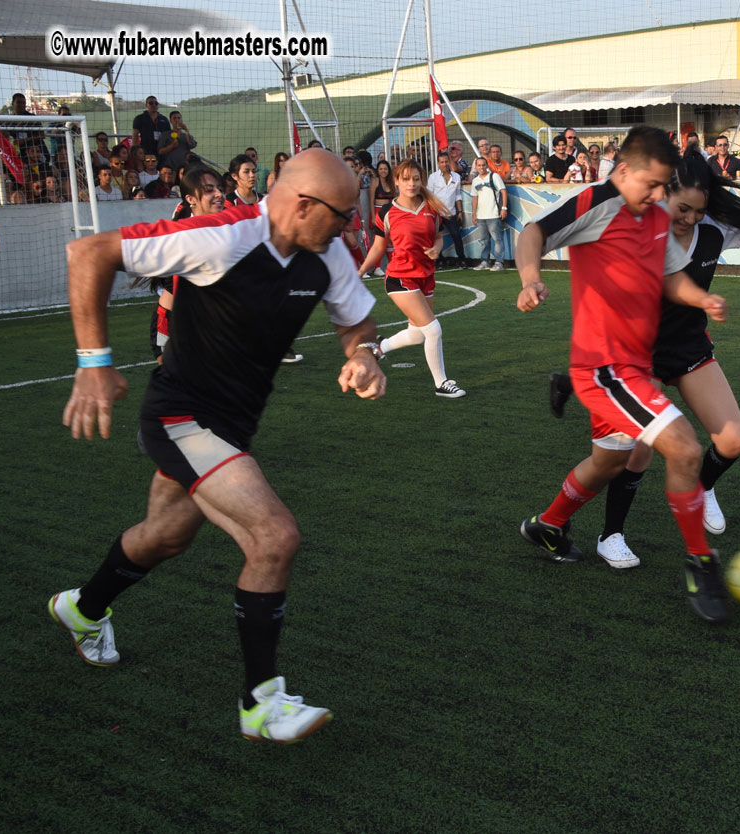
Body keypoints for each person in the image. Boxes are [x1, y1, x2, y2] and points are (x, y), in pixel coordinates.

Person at [51, 149, 386, 743]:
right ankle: (261, 703)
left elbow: (357, 322)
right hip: (180, 417)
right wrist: (93, 363)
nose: (349, 227)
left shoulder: (326, 251)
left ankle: (83, 607)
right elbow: (91, 252)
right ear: (303, 205)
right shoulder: (222, 235)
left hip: (231, 427)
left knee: (165, 537)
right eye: (341, 216)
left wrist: (363, 355)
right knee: (274, 536)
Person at [552, 152, 740, 570]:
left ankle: (701, 488)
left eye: (699, 211)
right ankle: (612, 535)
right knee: (635, 452)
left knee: (733, 440)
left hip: (688, 346)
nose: (690, 220)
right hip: (636, 355)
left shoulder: (710, 225)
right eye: (682, 209)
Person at [514, 126, 734, 623]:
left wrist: (701, 297)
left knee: (609, 463)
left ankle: (548, 525)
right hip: (605, 369)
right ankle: (702, 563)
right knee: (684, 447)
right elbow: (534, 233)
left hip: (634, 366)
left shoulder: (654, 215)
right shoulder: (598, 201)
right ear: (623, 170)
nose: (660, 197)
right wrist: (531, 278)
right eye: (652, 185)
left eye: (664, 187)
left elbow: (671, 276)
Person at [357, 159, 466, 398]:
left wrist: (437, 248)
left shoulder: (431, 207)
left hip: (426, 276)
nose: (412, 184)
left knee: (417, 334)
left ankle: (379, 347)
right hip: (400, 278)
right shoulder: (386, 212)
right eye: (406, 179)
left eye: (416, 179)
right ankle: (441, 384)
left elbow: (438, 237)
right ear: (396, 181)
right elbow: (378, 248)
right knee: (434, 330)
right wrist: (360, 271)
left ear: (422, 180)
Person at [140, 166, 226, 364]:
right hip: (175, 324)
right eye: (209, 190)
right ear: (190, 199)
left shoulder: (227, 230)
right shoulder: (180, 238)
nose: (219, 194)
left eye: (219, 188)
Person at [426, 151, 466, 268]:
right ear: (438, 163)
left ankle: (462, 259)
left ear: (449, 162)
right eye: (442, 162)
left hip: (451, 212)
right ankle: (440, 260)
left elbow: (458, 195)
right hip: (436, 213)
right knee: (435, 237)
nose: (444, 164)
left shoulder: (456, 177)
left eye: (446, 162)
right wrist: (433, 212)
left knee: (456, 235)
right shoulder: (433, 177)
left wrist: (460, 212)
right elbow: (430, 196)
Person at [470, 156, 508, 271]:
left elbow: (503, 191)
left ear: (487, 166)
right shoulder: (475, 181)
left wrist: (504, 208)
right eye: (479, 165)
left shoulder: (494, 176)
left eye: (483, 165)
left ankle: (499, 262)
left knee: (497, 239)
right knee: (484, 241)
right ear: (476, 167)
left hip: (494, 214)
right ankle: (485, 261)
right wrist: (474, 214)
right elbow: (474, 198)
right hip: (481, 216)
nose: (481, 167)